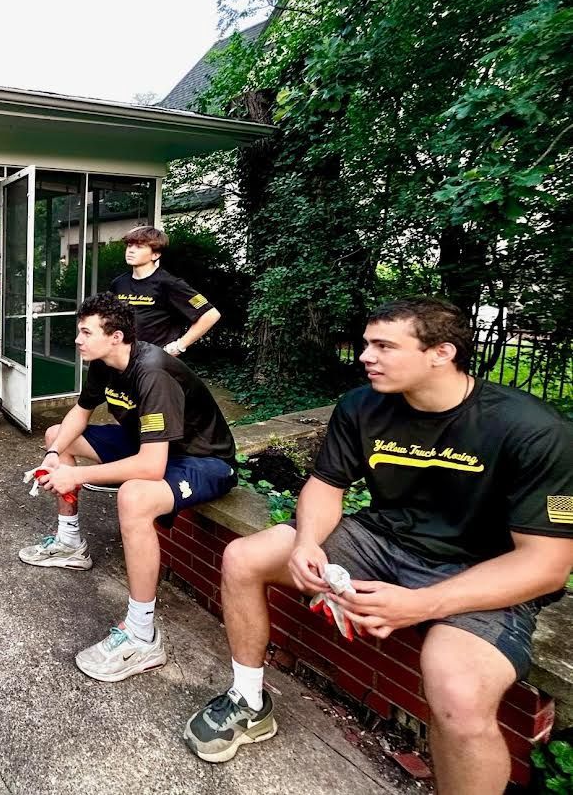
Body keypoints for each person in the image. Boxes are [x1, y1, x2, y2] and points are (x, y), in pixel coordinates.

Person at [183, 298, 573, 795]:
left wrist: (421, 604)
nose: (366, 355)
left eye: (384, 346)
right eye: (367, 343)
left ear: (441, 352)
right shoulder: (361, 405)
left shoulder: (537, 431)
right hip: (380, 539)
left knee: (457, 695)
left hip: (481, 568)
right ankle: (248, 701)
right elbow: (326, 486)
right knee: (245, 557)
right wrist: (305, 542)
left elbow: (548, 566)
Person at [19, 292, 237, 680]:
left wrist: (77, 475)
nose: (77, 339)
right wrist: (54, 453)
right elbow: (80, 414)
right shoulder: (104, 362)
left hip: (203, 460)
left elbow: (152, 468)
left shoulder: (153, 372)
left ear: (116, 336)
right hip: (149, 442)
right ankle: (70, 544)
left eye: (86, 332)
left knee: (134, 496)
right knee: (59, 434)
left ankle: (142, 635)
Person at [108, 225, 219, 355]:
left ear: (155, 254)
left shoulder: (169, 283)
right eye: (129, 245)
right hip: (122, 360)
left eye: (139, 247)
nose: (131, 251)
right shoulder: (118, 283)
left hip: (154, 362)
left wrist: (179, 346)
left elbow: (210, 314)